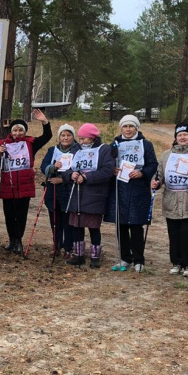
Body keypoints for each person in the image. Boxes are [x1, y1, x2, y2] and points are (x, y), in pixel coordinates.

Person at [151, 123, 188, 276]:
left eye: (186, 134)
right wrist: (156, 183)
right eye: (179, 135)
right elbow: (159, 174)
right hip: (171, 200)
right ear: (175, 138)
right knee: (174, 233)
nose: (182, 137)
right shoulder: (166, 155)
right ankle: (176, 262)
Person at [0, 109, 53, 253]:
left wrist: (44, 121)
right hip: (8, 184)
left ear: (24, 132)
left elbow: (47, 136)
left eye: (20, 130)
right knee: (9, 215)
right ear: (11, 132)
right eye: (15, 130)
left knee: (21, 215)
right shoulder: (3, 145)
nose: (17, 133)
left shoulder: (31, 143)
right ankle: (11, 240)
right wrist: (0, 154)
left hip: (25, 185)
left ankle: (18, 241)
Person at [55, 123, 115, 268]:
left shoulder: (104, 150)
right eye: (80, 138)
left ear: (92, 138)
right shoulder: (76, 149)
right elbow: (66, 168)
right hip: (76, 194)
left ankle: (95, 257)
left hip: (94, 195)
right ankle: (78, 255)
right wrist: (71, 174)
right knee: (77, 227)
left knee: (93, 227)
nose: (81, 141)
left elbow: (107, 171)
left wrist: (87, 177)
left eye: (84, 138)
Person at [106, 114, 158, 273]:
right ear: (121, 128)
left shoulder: (146, 144)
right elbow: (106, 163)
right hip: (119, 188)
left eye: (131, 126)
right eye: (125, 126)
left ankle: (138, 259)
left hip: (138, 189)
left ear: (136, 128)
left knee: (136, 226)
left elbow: (153, 164)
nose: (128, 129)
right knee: (121, 225)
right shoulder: (114, 144)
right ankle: (125, 258)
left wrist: (142, 173)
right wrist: (112, 170)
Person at [41, 123, 79, 257]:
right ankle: (56, 245)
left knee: (68, 220)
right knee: (54, 219)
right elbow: (43, 166)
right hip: (53, 189)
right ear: (59, 137)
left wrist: (63, 179)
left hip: (69, 189)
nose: (65, 138)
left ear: (73, 137)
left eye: (68, 135)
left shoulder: (78, 150)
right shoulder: (53, 150)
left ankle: (68, 247)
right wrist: (53, 167)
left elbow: (80, 168)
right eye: (63, 135)